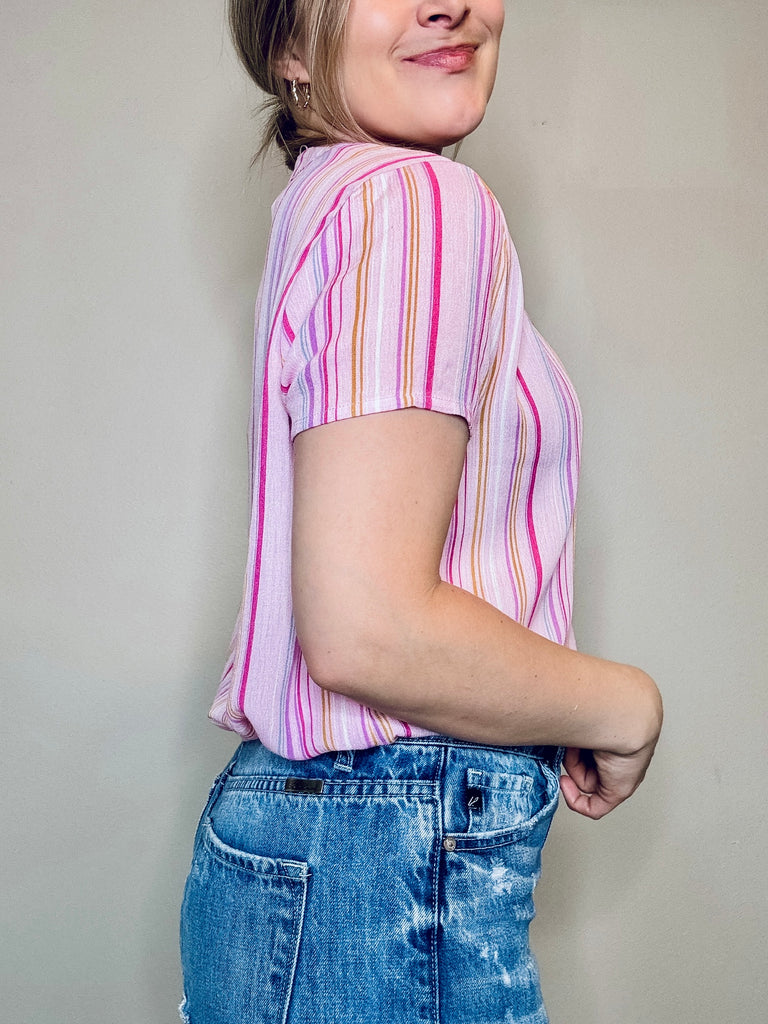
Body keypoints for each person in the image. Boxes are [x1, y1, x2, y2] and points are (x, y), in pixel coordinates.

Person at [179, 1, 663, 1021]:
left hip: (312, 834)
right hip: (383, 835)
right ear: (288, 47)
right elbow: (370, 628)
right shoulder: (416, 201)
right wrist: (621, 704)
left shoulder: (330, 200)